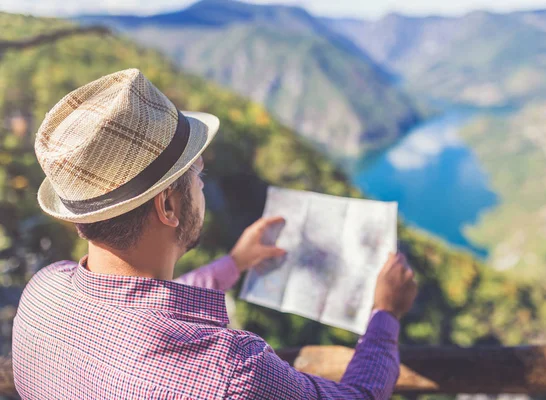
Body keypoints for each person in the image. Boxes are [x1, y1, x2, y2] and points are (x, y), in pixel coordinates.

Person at [12, 69, 418, 399]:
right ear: (167, 206)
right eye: (197, 175)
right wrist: (385, 314)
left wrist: (235, 264)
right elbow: (359, 396)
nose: (203, 185)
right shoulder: (232, 371)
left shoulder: (42, 294)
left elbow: (132, 307)